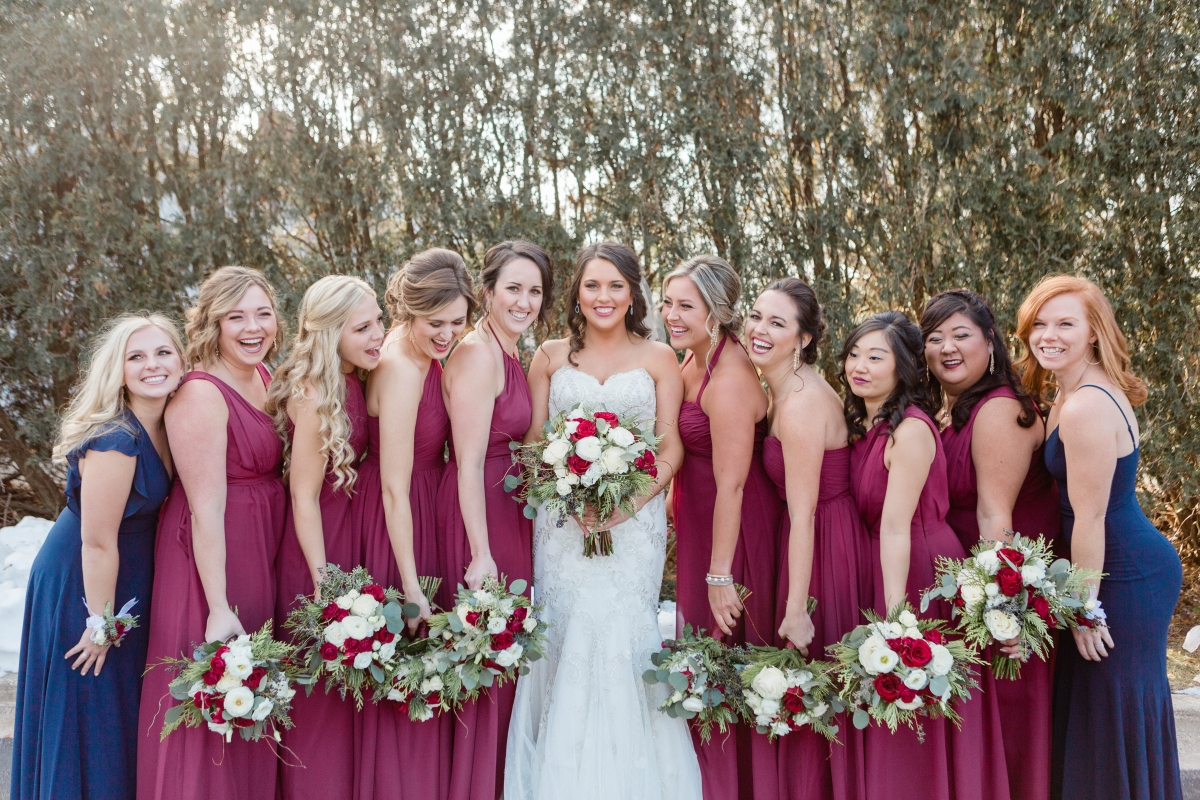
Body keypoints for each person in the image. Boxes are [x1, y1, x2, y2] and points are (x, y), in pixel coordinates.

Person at [505, 241, 702, 799]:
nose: (604, 296)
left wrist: (628, 504)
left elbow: (671, 447)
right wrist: (564, 486)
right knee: (566, 635)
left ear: (634, 292)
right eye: (592, 285)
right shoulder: (548, 355)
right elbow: (534, 441)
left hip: (634, 524)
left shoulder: (660, 357)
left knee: (621, 635)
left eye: (616, 285)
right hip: (562, 523)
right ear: (576, 292)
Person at [1016, 275, 1182, 800]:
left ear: (1093, 332)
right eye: (1039, 324)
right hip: (1109, 564)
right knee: (1099, 709)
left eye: (1066, 323)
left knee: (1111, 708)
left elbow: (1089, 518)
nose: (1049, 335)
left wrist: (1087, 609)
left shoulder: (1086, 405)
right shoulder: (1067, 394)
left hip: (1123, 574)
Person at [12, 315, 183, 800]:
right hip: (84, 583)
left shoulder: (166, 425)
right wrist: (101, 623)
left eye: (163, 352)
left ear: (182, 358)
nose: (153, 365)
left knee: (115, 711)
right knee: (89, 709)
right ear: (119, 371)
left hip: (120, 577)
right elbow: (98, 542)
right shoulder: (117, 439)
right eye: (137, 357)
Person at [842, 311, 1009, 800]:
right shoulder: (869, 424)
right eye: (854, 354)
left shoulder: (909, 430)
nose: (860, 366)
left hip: (917, 571)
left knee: (914, 702)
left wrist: (897, 622)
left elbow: (896, 526)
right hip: (888, 563)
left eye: (877, 357)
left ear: (903, 369)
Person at [137, 266, 288, 800]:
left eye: (263, 314)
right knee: (213, 697)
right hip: (212, 557)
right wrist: (219, 603)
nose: (253, 327)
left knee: (249, 695)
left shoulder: (265, 374)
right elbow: (205, 508)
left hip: (259, 543)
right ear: (213, 324)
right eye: (236, 317)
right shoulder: (201, 393)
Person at [921, 289, 1060, 800]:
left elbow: (994, 517)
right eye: (935, 338)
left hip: (1000, 606)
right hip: (968, 595)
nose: (947, 348)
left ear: (991, 341)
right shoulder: (950, 410)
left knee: (1010, 737)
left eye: (961, 335)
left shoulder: (1000, 411)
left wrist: (1003, 616)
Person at [355, 249, 474, 800]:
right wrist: (409, 588)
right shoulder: (401, 370)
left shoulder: (425, 354)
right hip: (396, 524)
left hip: (424, 511)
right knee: (406, 667)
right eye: (436, 323)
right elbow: (392, 488)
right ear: (408, 310)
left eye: (457, 322)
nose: (447, 334)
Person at [662, 255, 783, 800]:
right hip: (699, 525)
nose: (672, 314)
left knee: (724, 652)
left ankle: (733, 785)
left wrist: (719, 575)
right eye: (667, 302)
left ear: (716, 311)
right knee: (702, 657)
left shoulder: (730, 378)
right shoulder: (692, 362)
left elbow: (733, 485)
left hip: (731, 538)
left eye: (685, 305)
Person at [744, 278, 869, 800]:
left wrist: (797, 608)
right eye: (756, 316)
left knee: (811, 684)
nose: (760, 329)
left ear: (803, 339)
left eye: (778, 323)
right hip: (815, 542)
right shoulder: (784, 388)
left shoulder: (798, 404)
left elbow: (803, 515)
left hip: (823, 550)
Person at [436, 240, 552, 800]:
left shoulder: (508, 350)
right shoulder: (478, 353)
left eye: (534, 291)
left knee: (507, 651)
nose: (524, 301)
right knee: (489, 646)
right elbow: (468, 461)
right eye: (513, 288)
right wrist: (480, 552)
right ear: (487, 291)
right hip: (477, 511)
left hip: (506, 506)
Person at [268, 275, 384, 800]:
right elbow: (303, 495)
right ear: (330, 332)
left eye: (379, 319)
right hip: (317, 546)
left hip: (350, 533)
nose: (377, 333)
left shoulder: (352, 378)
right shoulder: (313, 392)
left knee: (345, 691)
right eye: (363, 327)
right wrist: (323, 579)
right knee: (317, 694)